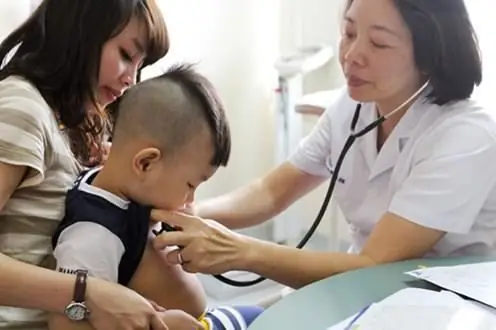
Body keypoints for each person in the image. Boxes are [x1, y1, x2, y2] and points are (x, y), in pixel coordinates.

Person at [152, 0, 496, 290]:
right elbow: (271, 192)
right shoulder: (352, 108)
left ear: (429, 57)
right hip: (362, 292)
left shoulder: (465, 137)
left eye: (378, 44)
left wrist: (238, 252)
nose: (351, 54)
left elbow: (373, 263)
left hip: (440, 305)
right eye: (348, 33)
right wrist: (189, 213)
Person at [49, 64, 264, 330]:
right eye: (190, 185)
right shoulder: (93, 236)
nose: (190, 200)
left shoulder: (126, 185)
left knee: (262, 316)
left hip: (203, 320)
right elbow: (67, 324)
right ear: (146, 164)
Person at [0, 0, 171, 329]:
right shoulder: (22, 108)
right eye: (125, 55)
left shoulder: (72, 123)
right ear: (79, 31)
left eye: (139, 65)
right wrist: (85, 292)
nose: (130, 80)